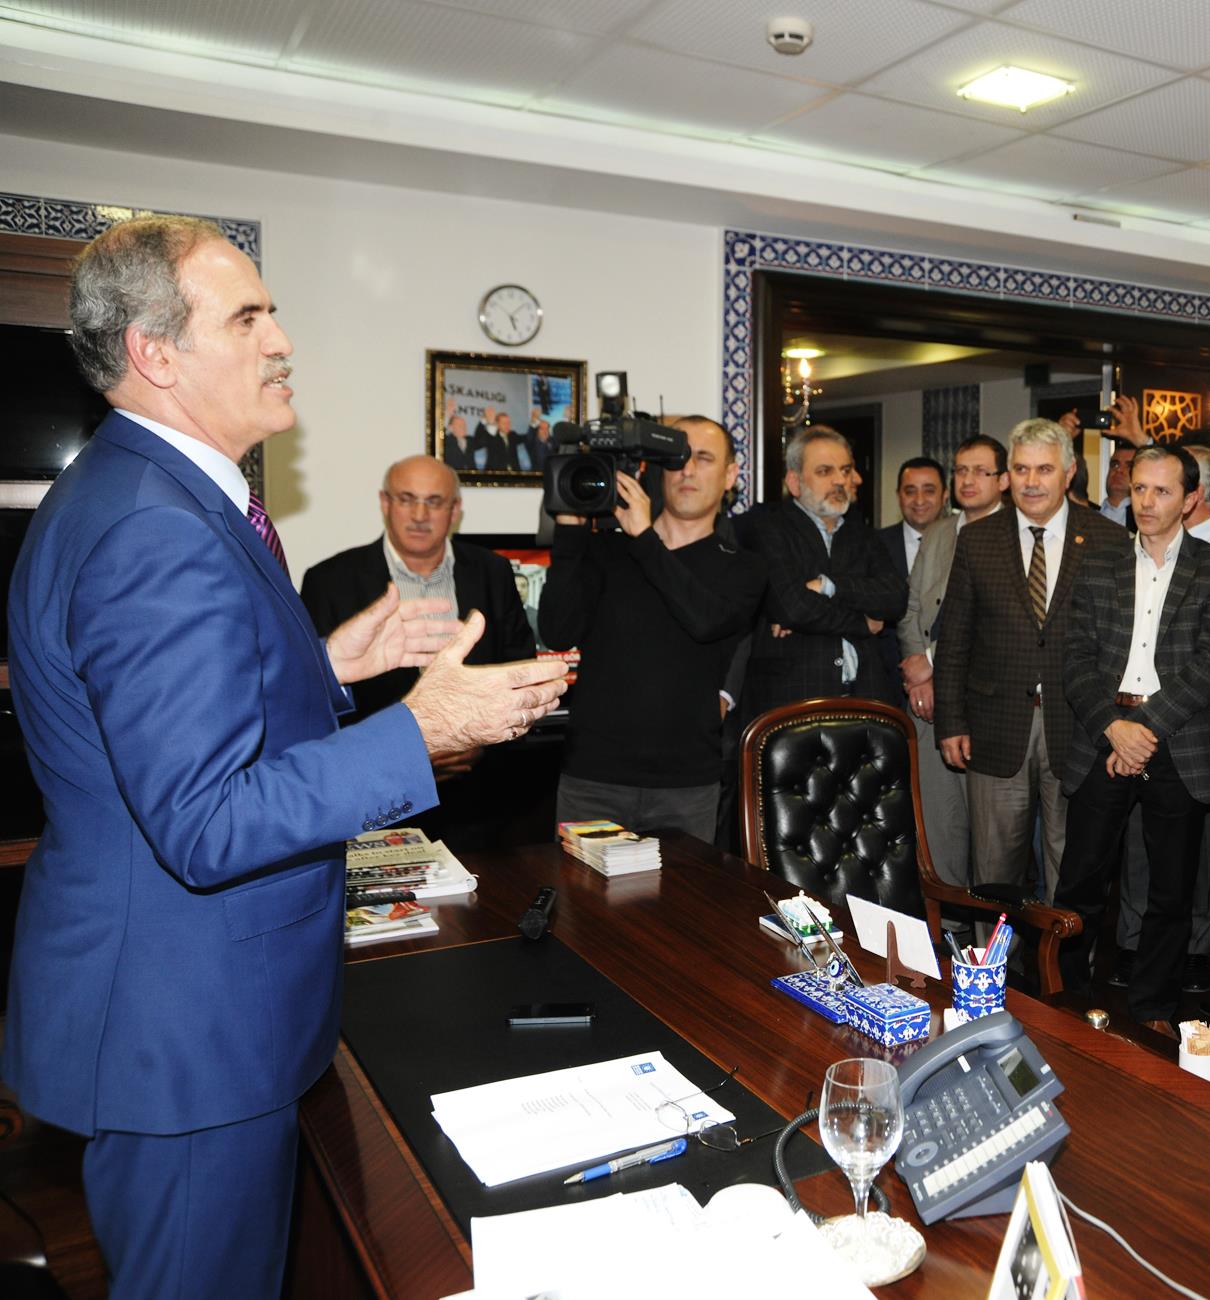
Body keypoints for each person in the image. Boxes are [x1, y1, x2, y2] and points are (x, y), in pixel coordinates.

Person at [4, 216, 565, 1296]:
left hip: (182, 1001)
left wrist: (326, 665)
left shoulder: (148, 491)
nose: (281, 340)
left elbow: (172, 713)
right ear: (156, 354)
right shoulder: (156, 527)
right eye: (247, 318)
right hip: (186, 1019)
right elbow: (205, 819)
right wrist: (420, 729)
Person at [1055, 447, 1210, 1029]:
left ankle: (1153, 1010)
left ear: (1190, 499)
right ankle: (1065, 1002)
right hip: (1102, 737)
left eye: (1162, 491)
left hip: (1175, 745)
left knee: (1171, 892)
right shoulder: (1098, 564)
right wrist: (1114, 728)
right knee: (1080, 883)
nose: (1147, 502)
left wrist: (1143, 732)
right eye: (1139, 489)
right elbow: (1074, 658)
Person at [542, 415, 765, 841]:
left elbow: (704, 620)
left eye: (703, 458)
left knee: (684, 890)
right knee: (578, 890)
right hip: (592, 778)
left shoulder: (744, 566)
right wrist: (570, 534)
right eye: (677, 458)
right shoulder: (608, 550)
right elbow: (556, 631)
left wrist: (644, 537)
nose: (687, 470)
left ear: (730, 475)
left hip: (686, 786)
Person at [933, 419, 1127, 901]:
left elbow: (1120, 643)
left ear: (1069, 472)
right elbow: (955, 639)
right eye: (1021, 469)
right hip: (993, 729)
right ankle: (995, 952)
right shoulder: (978, 539)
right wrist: (950, 721)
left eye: (1044, 469)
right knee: (994, 873)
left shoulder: (1108, 539)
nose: (1032, 481)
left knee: (1071, 868)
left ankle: (1059, 953)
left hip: (1080, 729)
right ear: (1008, 476)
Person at [301, 454, 535, 723]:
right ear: (385, 503)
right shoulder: (328, 582)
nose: (420, 516)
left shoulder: (493, 572)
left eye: (434, 502)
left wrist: (491, 733)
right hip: (376, 747)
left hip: (482, 744)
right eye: (406, 499)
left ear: (454, 510)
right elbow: (312, 689)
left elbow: (519, 668)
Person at [899, 435, 1009, 895]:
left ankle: (989, 924)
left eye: (980, 471)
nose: (968, 479)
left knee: (990, 835)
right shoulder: (941, 532)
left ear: (1003, 480)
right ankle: (948, 922)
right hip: (928, 700)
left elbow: (994, 624)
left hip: (986, 701)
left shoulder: (1015, 536)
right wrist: (918, 676)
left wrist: (930, 663)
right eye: (961, 470)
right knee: (938, 821)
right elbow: (910, 609)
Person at [740, 425, 908, 717]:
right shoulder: (768, 529)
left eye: (845, 470)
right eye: (824, 471)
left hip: (867, 695)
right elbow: (793, 608)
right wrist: (863, 622)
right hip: (793, 698)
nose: (840, 480)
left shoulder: (863, 535)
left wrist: (828, 586)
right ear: (794, 482)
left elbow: (895, 598)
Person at [880, 455, 946, 575]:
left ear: (944, 496)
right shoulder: (875, 544)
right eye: (910, 492)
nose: (919, 501)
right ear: (898, 497)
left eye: (929, 491)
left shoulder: (961, 544)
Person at [1098, 441, 1135, 526]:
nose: (1119, 470)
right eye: (1115, 465)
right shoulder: (1086, 516)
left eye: (1129, 466)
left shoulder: (1146, 522)